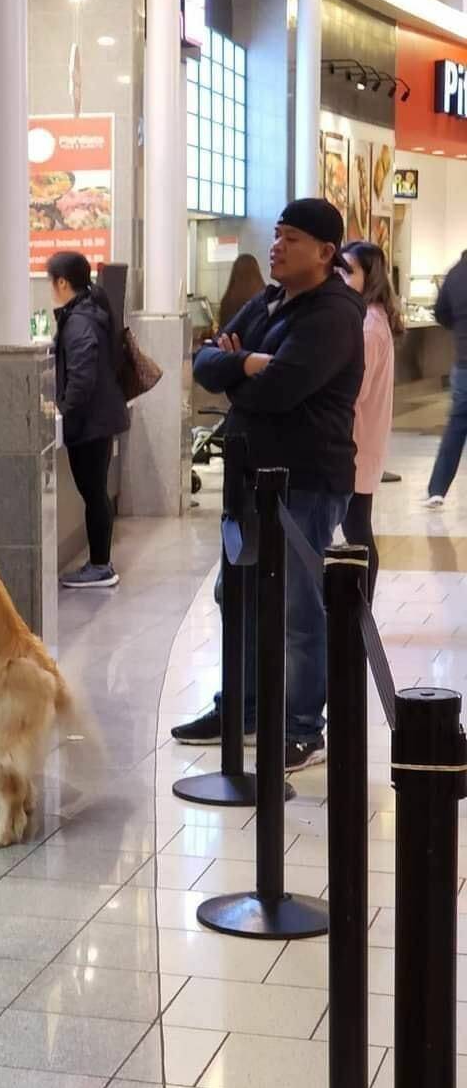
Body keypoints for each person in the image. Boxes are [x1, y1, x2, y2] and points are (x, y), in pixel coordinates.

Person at [172, 200, 365, 772]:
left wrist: (242, 372)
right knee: (237, 595)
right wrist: (250, 364)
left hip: (305, 480)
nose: (276, 246)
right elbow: (203, 360)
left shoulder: (334, 314)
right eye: (277, 235)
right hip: (250, 477)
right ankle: (244, 707)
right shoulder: (270, 298)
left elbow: (280, 391)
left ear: (326, 253)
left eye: (292, 239)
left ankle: (304, 726)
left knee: (299, 609)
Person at [47, 251, 130, 589]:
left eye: (52, 281)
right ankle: (100, 563)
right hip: (101, 417)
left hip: (91, 421)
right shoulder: (91, 310)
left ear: (63, 282)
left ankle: (100, 566)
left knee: (93, 492)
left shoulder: (79, 320)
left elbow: (82, 375)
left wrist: (62, 410)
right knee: (95, 491)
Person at [338, 240, 402, 599]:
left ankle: (361, 609)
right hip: (363, 442)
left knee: (357, 529)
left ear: (369, 276)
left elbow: (355, 389)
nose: (339, 276)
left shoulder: (367, 325)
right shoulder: (372, 319)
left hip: (358, 443)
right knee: (357, 526)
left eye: (348, 270)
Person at [423, 248, 467, 507]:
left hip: (463, 363)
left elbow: (440, 313)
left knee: (456, 427)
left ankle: (437, 489)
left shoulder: (455, 273)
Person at [217, 252, 266, 336]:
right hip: (257, 348)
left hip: (229, 346)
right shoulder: (266, 297)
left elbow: (222, 332)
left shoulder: (227, 301)